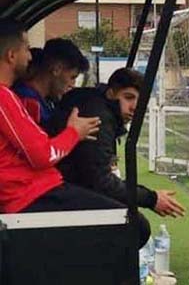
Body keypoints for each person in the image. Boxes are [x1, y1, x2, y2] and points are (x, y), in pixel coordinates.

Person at [50, 68, 186, 247]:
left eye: (140, 100)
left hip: (61, 185)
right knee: (136, 226)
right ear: (111, 93)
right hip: (57, 191)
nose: (135, 107)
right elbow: (99, 181)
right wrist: (151, 198)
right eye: (128, 98)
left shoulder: (96, 104)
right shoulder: (99, 116)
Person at [0, 19, 116, 217]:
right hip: (28, 195)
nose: (31, 56)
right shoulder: (6, 98)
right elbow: (42, 155)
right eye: (27, 49)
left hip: (37, 188)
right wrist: (73, 133)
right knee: (129, 223)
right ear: (11, 55)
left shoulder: (10, 96)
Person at [13, 38, 89, 129]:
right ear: (56, 69)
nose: (72, 84)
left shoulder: (46, 101)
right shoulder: (27, 102)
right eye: (72, 77)